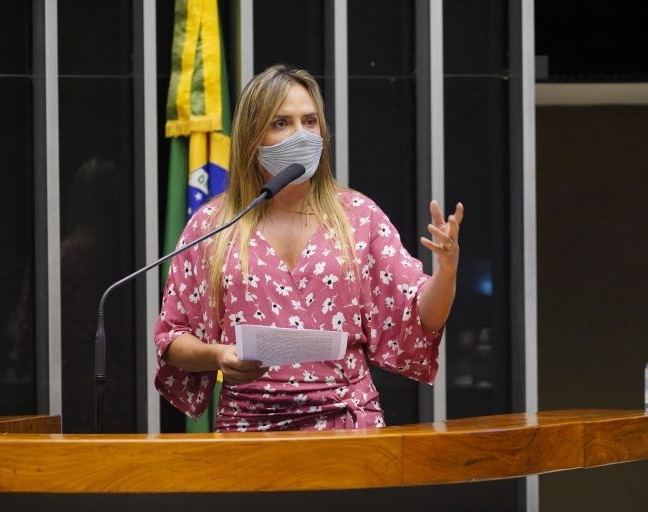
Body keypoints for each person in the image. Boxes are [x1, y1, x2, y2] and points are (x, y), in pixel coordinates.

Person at [154, 64, 464, 432]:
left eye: (310, 121)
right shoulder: (213, 224)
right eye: (281, 123)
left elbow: (420, 316)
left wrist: (446, 270)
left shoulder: (358, 215)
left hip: (346, 425)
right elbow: (171, 339)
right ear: (253, 137)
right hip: (247, 429)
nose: (301, 135)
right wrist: (218, 355)